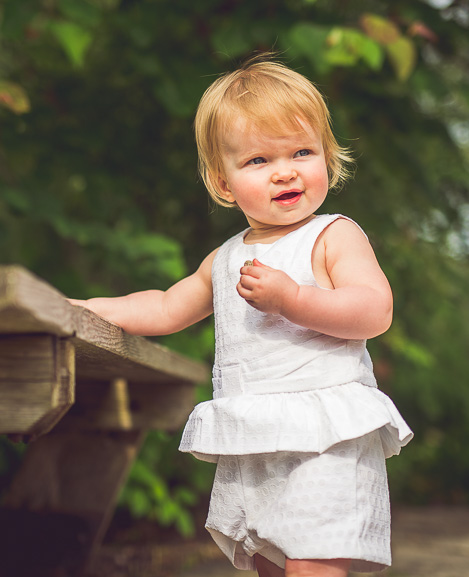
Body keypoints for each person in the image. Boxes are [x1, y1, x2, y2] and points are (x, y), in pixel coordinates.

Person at [70, 56, 412, 577]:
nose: (285, 170)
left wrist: (293, 299)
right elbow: (165, 306)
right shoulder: (227, 257)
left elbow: (375, 311)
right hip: (254, 439)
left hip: (324, 439)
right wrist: (90, 309)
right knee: (269, 562)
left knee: (313, 565)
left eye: (302, 151)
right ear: (223, 182)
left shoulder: (332, 234)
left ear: (327, 156)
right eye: (258, 160)